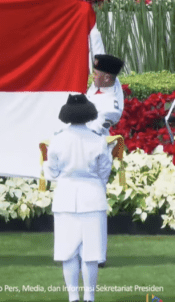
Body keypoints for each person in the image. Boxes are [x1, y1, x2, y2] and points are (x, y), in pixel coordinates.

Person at [44, 94, 112, 302]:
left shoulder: (57, 140)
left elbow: (52, 173)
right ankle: (89, 297)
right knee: (91, 253)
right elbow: (104, 172)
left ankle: (73, 297)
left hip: (66, 198)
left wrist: (46, 169)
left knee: (68, 252)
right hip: (93, 198)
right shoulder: (99, 140)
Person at [86, 53, 124, 269]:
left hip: (97, 151)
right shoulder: (105, 82)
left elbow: (93, 126)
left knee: (96, 203)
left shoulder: (111, 103)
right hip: (84, 147)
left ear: (108, 78)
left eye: (97, 73)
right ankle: (84, 249)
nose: (93, 75)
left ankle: (98, 255)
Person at [86, 54, 124, 136]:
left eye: (95, 74)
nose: (92, 76)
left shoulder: (110, 110)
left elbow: (92, 133)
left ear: (106, 78)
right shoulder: (102, 84)